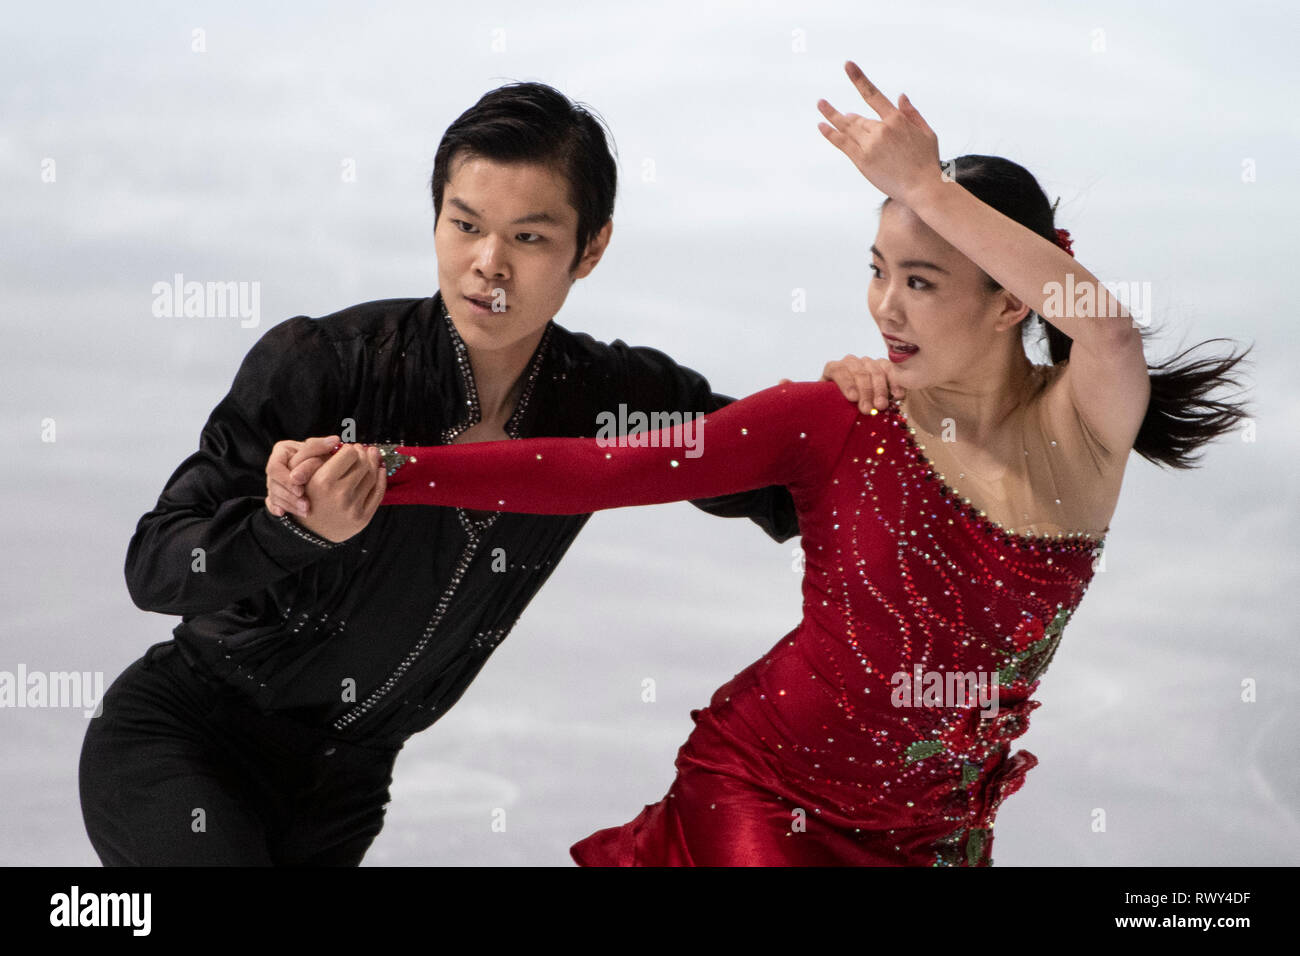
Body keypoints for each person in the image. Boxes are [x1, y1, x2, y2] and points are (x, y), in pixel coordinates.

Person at [369, 62, 1253, 865]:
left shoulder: (1083, 430)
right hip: (764, 794)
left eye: (920, 280)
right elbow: (606, 469)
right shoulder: (841, 418)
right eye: (878, 271)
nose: (883, 308)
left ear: (1009, 299)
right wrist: (394, 469)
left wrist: (924, 187)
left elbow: (1105, 327)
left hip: (936, 839)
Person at [78, 80, 877, 866]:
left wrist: (850, 408)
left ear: (590, 247)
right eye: (465, 225)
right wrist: (284, 529)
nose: (486, 265)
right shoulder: (325, 366)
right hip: (186, 741)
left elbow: (790, 476)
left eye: (529, 238)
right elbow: (155, 567)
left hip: (343, 786)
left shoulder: (613, 401)